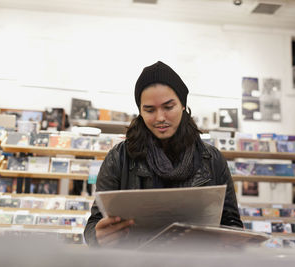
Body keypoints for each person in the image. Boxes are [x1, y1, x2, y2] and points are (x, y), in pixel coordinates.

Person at [84, 61, 243, 247]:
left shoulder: (213, 159)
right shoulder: (118, 158)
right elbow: (94, 224)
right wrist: (99, 236)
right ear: (140, 111)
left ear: (183, 105)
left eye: (168, 107)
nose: (160, 118)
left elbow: (231, 223)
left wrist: (231, 241)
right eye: (149, 110)